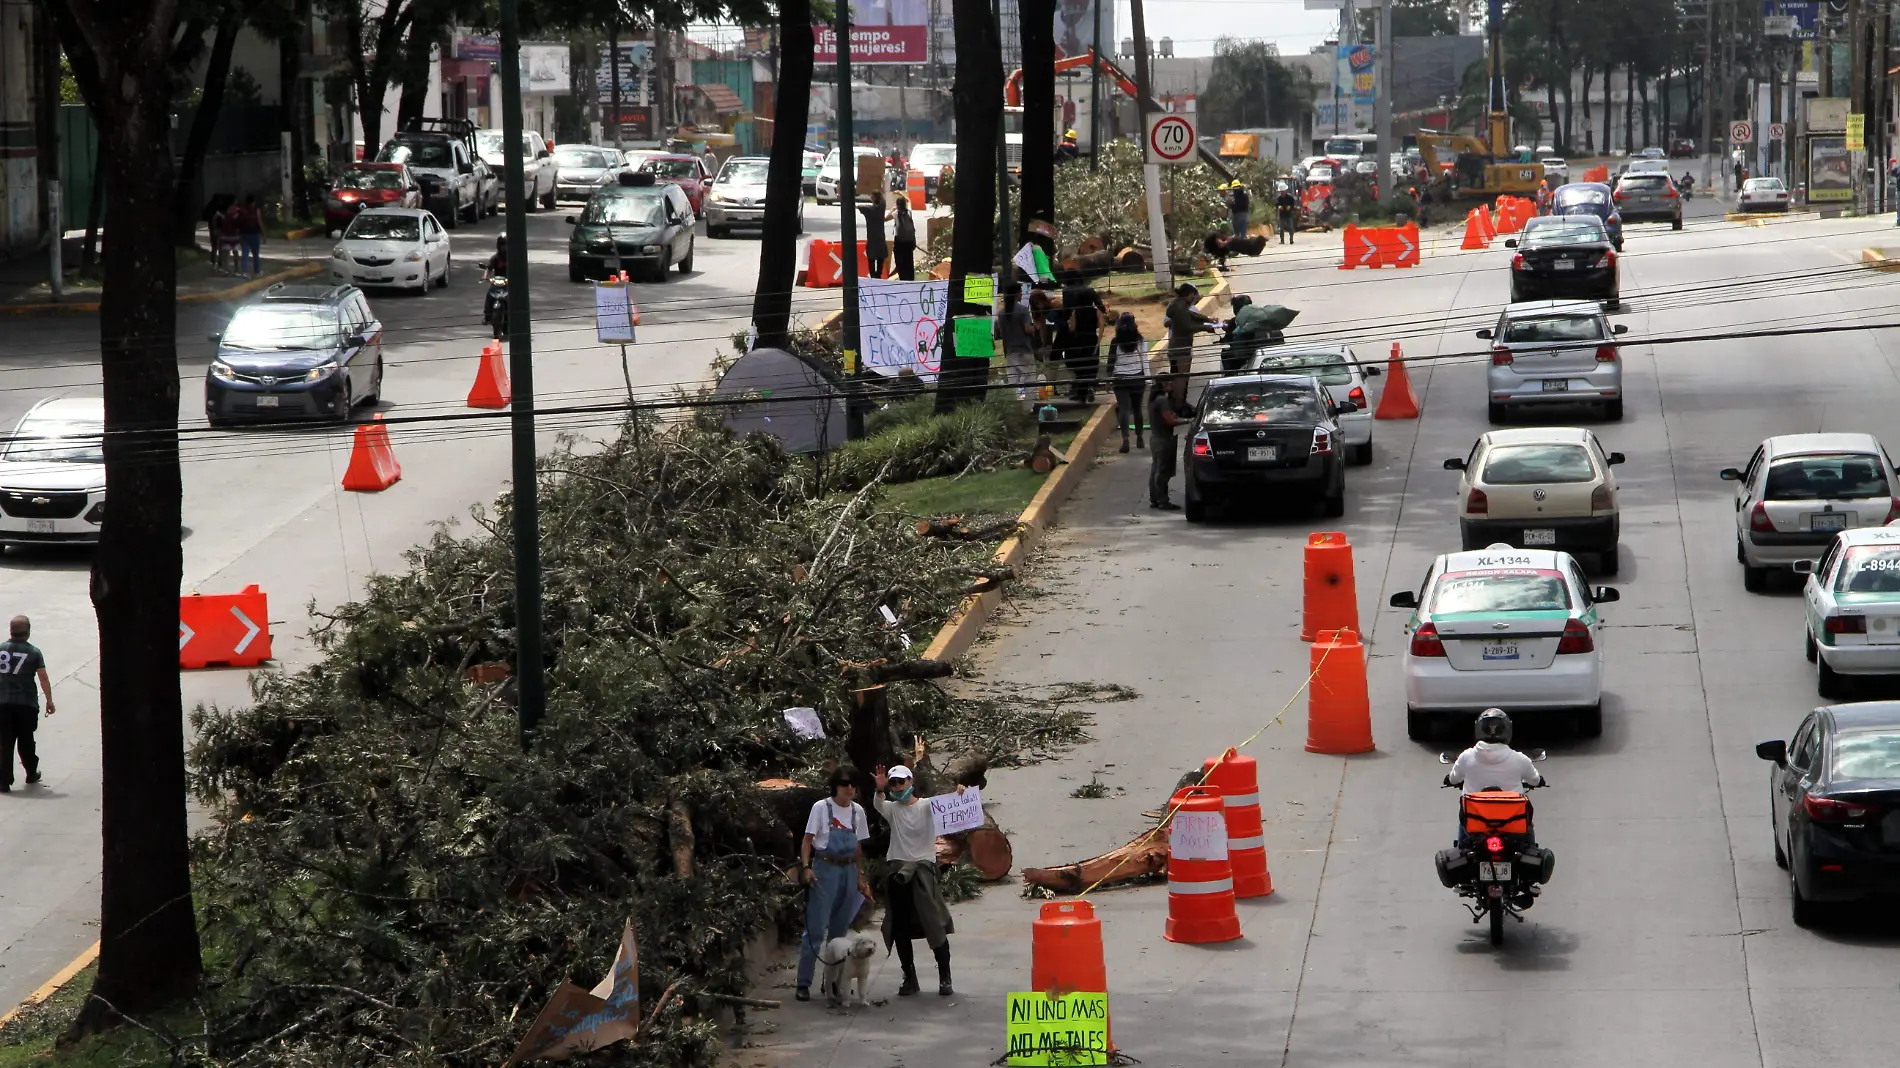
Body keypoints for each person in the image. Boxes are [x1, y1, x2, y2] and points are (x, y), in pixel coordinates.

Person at [872, 765, 957, 996]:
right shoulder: (892, 809)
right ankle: (909, 977)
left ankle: (945, 977)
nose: (898, 787)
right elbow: (878, 803)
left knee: (933, 921)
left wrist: (960, 793)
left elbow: (952, 805)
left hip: (922, 870)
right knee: (899, 927)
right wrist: (880, 790)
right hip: (898, 872)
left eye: (901, 782)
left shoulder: (926, 806)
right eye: (893, 783)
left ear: (911, 781)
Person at [794, 766, 872, 1002]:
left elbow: (858, 846)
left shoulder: (858, 811)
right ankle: (803, 983)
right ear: (835, 786)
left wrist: (859, 877)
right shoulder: (821, 808)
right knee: (816, 930)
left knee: (839, 934)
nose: (850, 788)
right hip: (824, 870)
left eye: (853, 785)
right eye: (845, 784)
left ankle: (834, 983)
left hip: (848, 869)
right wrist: (806, 868)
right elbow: (807, 840)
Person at [1445, 709, 1544, 839]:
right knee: (1527, 833)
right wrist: (1540, 781)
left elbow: (1453, 779)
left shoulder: (1466, 756)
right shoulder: (1519, 759)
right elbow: (1535, 780)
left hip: (1475, 824)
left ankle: (1463, 846)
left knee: (1464, 827)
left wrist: (1449, 780)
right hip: (1512, 823)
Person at [0, 615, 54, 793]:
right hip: (26, 703)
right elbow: (43, 677)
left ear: (11, 631)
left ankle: (3, 780)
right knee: (26, 740)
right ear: (28, 631)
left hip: (3, 703)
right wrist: (49, 700)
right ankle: (31, 772)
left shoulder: (1, 649)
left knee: (5, 742)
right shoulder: (34, 652)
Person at [1146, 374, 1191, 510]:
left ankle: (1155, 498)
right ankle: (1162, 500)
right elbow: (1170, 421)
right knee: (1162, 471)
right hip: (1163, 440)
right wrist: (1187, 421)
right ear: (1165, 384)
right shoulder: (1161, 401)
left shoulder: (1154, 400)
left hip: (1156, 439)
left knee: (1156, 470)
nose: (1172, 386)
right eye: (1170, 383)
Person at [1106, 312, 1147, 453]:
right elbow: (1144, 361)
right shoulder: (1140, 340)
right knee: (1137, 409)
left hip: (1120, 379)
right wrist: (1147, 379)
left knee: (1123, 409)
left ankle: (1125, 440)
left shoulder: (1115, 342)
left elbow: (1111, 362)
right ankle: (1140, 437)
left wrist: (1108, 379)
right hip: (1138, 378)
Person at [1059, 279, 1105, 403]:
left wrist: (1069, 326)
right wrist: (1098, 343)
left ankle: (1081, 394)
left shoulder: (1075, 311)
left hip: (1079, 340)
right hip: (1092, 339)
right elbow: (1101, 327)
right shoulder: (1096, 311)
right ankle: (1090, 386)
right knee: (1092, 365)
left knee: (1080, 366)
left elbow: (1072, 327)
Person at [1164, 282, 1217, 376]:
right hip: (1181, 348)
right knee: (1181, 378)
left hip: (1177, 346)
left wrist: (1207, 320)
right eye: (1193, 295)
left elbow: (1191, 315)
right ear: (1189, 294)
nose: (1194, 297)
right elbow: (1187, 327)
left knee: (1176, 374)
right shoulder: (1180, 307)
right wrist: (1205, 327)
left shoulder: (1179, 305)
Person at [995, 284, 1037, 399]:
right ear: (1017, 293)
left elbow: (1002, 334)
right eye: (1021, 292)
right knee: (1029, 380)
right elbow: (1027, 329)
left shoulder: (1002, 313)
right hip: (1024, 350)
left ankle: (1016, 405)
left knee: (1014, 382)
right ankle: (1028, 407)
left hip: (1010, 351)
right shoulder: (1023, 310)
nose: (1022, 294)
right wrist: (1036, 327)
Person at [860, 189, 889, 279]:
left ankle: (873, 276)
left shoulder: (869, 209)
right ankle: (878, 275)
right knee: (881, 258)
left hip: (872, 237)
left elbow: (860, 207)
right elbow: (883, 201)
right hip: (880, 236)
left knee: (871, 259)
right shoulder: (881, 208)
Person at [234, 193, 264, 277]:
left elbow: (237, 221)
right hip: (254, 234)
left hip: (243, 234)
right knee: (255, 254)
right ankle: (257, 271)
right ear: (253, 202)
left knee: (245, 254)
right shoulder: (256, 210)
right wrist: (264, 233)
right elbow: (259, 221)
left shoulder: (241, 210)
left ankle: (245, 272)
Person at [891, 192, 917, 281]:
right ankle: (910, 278)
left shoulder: (895, 214)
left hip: (900, 242)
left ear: (897, 205)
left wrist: (892, 209)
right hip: (909, 241)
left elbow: (884, 219)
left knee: (900, 262)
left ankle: (903, 278)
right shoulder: (909, 212)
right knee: (909, 261)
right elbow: (908, 200)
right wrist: (901, 194)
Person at [212, 202, 242, 274]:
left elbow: (215, 218)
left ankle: (226, 269)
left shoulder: (224, 214)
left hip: (225, 236)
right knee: (236, 253)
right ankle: (237, 270)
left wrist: (215, 229)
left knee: (226, 253)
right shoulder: (238, 213)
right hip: (235, 237)